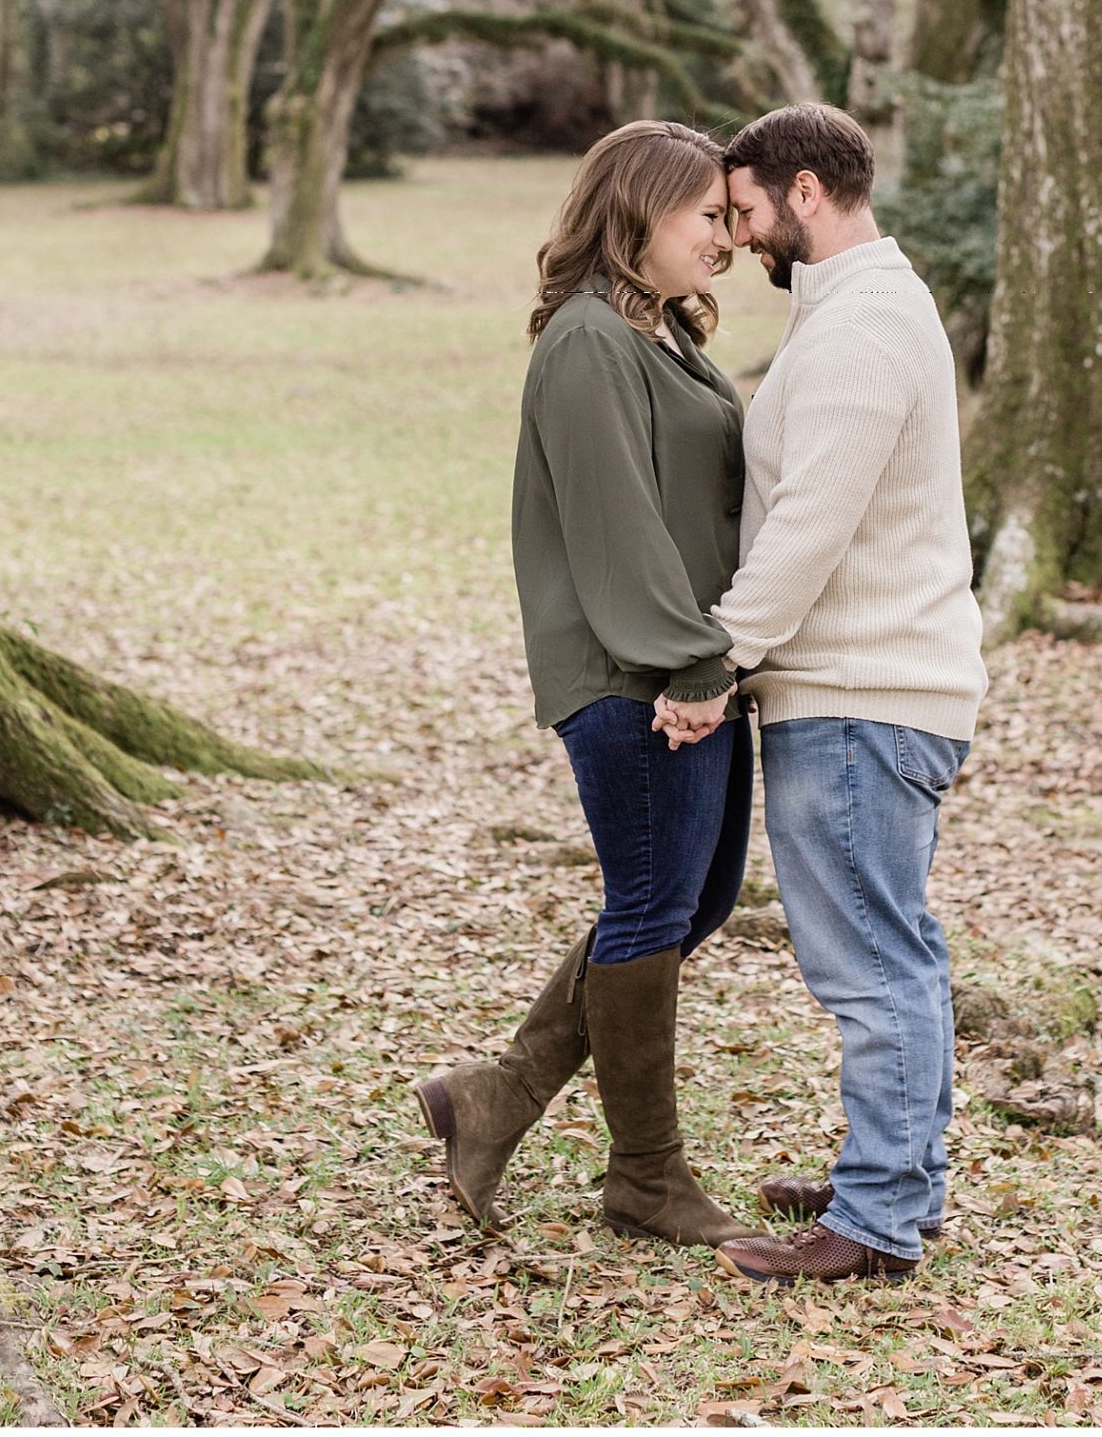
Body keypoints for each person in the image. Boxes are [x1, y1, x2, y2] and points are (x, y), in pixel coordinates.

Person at [657, 103, 987, 1284]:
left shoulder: (859, 328)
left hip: (858, 692)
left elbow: (810, 522)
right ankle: (900, 1172)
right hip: (877, 684)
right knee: (897, 945)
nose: (738, 236)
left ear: (804, 193)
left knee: (867, 962)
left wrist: (718, 662)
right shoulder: (863, 308)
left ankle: (879, 1216)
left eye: (744, 210)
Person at [415, 121, 749, 1246]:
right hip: (635, 675)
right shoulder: (590, 341)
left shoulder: (656, 337)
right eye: (708, 214)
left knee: (679, 903)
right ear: (638, 211)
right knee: (656, 903)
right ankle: (645, 1176)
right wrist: (695, 656)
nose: (730, 235)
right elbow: (616, 527)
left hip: (679, 665)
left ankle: (498, 1094)